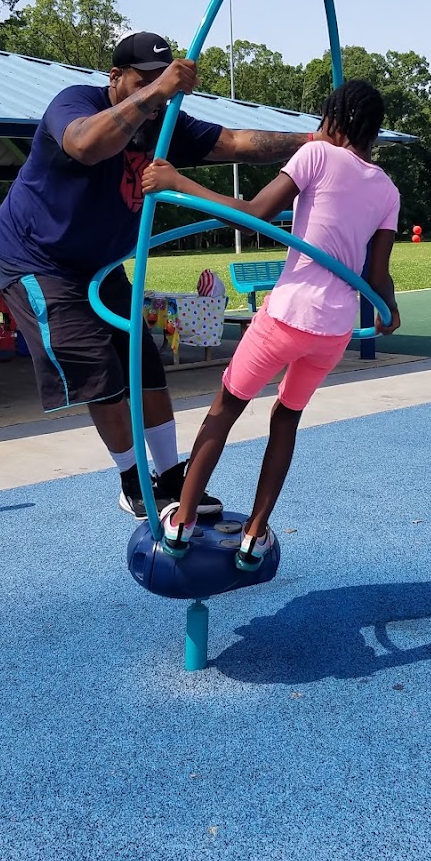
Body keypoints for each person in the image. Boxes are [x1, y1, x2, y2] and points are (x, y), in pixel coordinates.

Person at [0, 31, 314, 519]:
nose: (160, 93)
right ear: (116, 77)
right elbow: (85, 145)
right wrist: (157, 92)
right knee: (100, 370)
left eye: (165, 82)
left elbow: (234, 142)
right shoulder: (76, 103)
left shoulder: (165, 123)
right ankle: (133, 481)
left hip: (99, 264)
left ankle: (168, 476)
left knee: (143, 362)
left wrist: (314, 141)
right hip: (38, 261)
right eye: (146, 79)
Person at [141, 79, 401, 569]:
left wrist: (178, 183)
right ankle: (255, 534)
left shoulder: (316, 156)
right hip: (334, 329)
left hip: (287, 314)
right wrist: (388, 311)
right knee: (286, 417)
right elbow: (377, 276)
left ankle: (182, 520)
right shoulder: (387, 188)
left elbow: (254, 216)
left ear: (335, 118)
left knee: (226, 406)